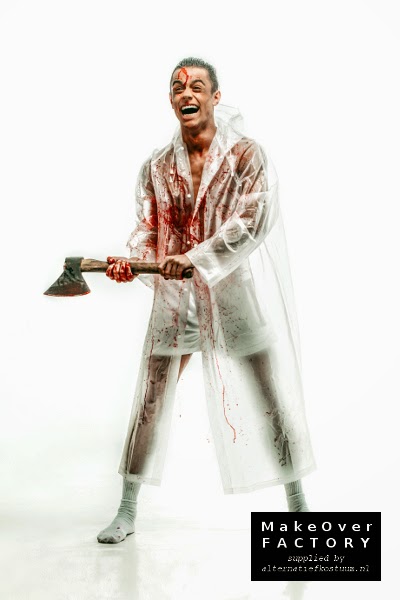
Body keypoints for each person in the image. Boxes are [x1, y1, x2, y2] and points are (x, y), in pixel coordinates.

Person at [97, 57, 316, 544]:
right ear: (171, 100)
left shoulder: (245, 155)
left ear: (216, 97)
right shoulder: (157, 166)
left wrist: (196, 257)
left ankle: (299, 505)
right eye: (178, 87)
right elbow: (147, 229)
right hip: (176, 302)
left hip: (232, 294)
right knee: (150, 398)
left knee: (270, 397)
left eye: (197, 86)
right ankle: (127, 509)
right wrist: (134, 262)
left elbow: (255, 219)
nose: (186, 93)